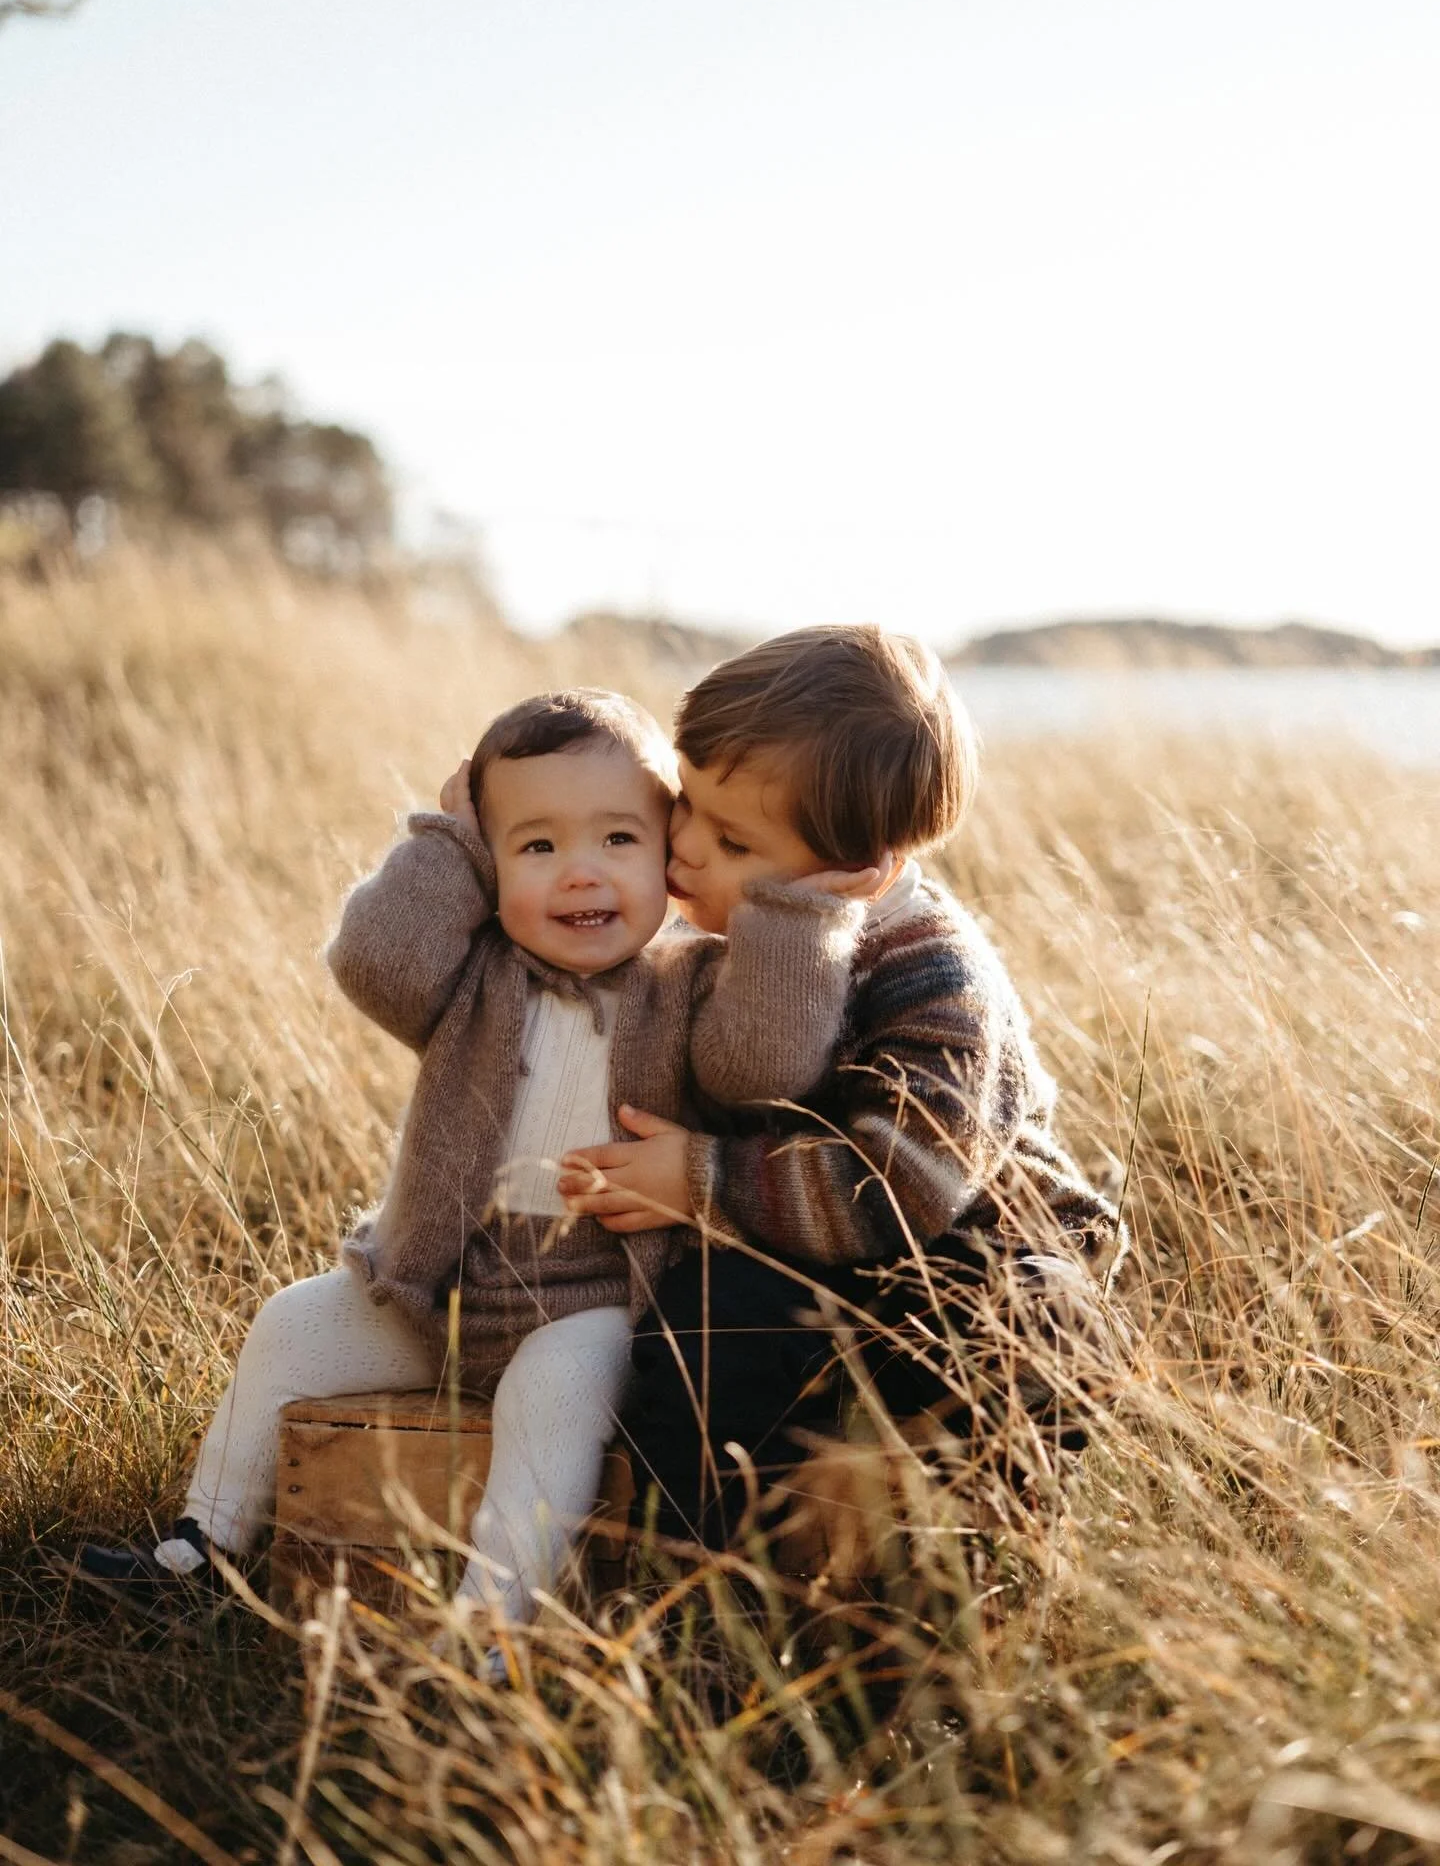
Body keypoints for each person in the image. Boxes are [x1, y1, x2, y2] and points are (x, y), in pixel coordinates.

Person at [79, 688, 883, 1638]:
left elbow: (765, 1067)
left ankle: (489, 1634)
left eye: (618, 840)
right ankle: (203, 1549)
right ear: (489, 863)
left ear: (670, 853)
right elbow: (373, 957)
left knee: (549, 1401)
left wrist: (788, 920)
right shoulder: (475, 975)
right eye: (536, 846)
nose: (579, 874)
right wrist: (450, 834)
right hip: (441, 1295)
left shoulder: (691, 983)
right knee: (293, 1327)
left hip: (592, 1311)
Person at [555, 627, 1127, 1552]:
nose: (686, 850)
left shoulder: (932, 972)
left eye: (734, 840)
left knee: (1041, 1329)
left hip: (964, 1250)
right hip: (803, 1257)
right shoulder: (706, 942)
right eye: (685, 805)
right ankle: (702, 1589)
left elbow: (902, 1192)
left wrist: (699, 1180)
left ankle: (957, 1578)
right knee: (703, 1331)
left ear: (862, 874)